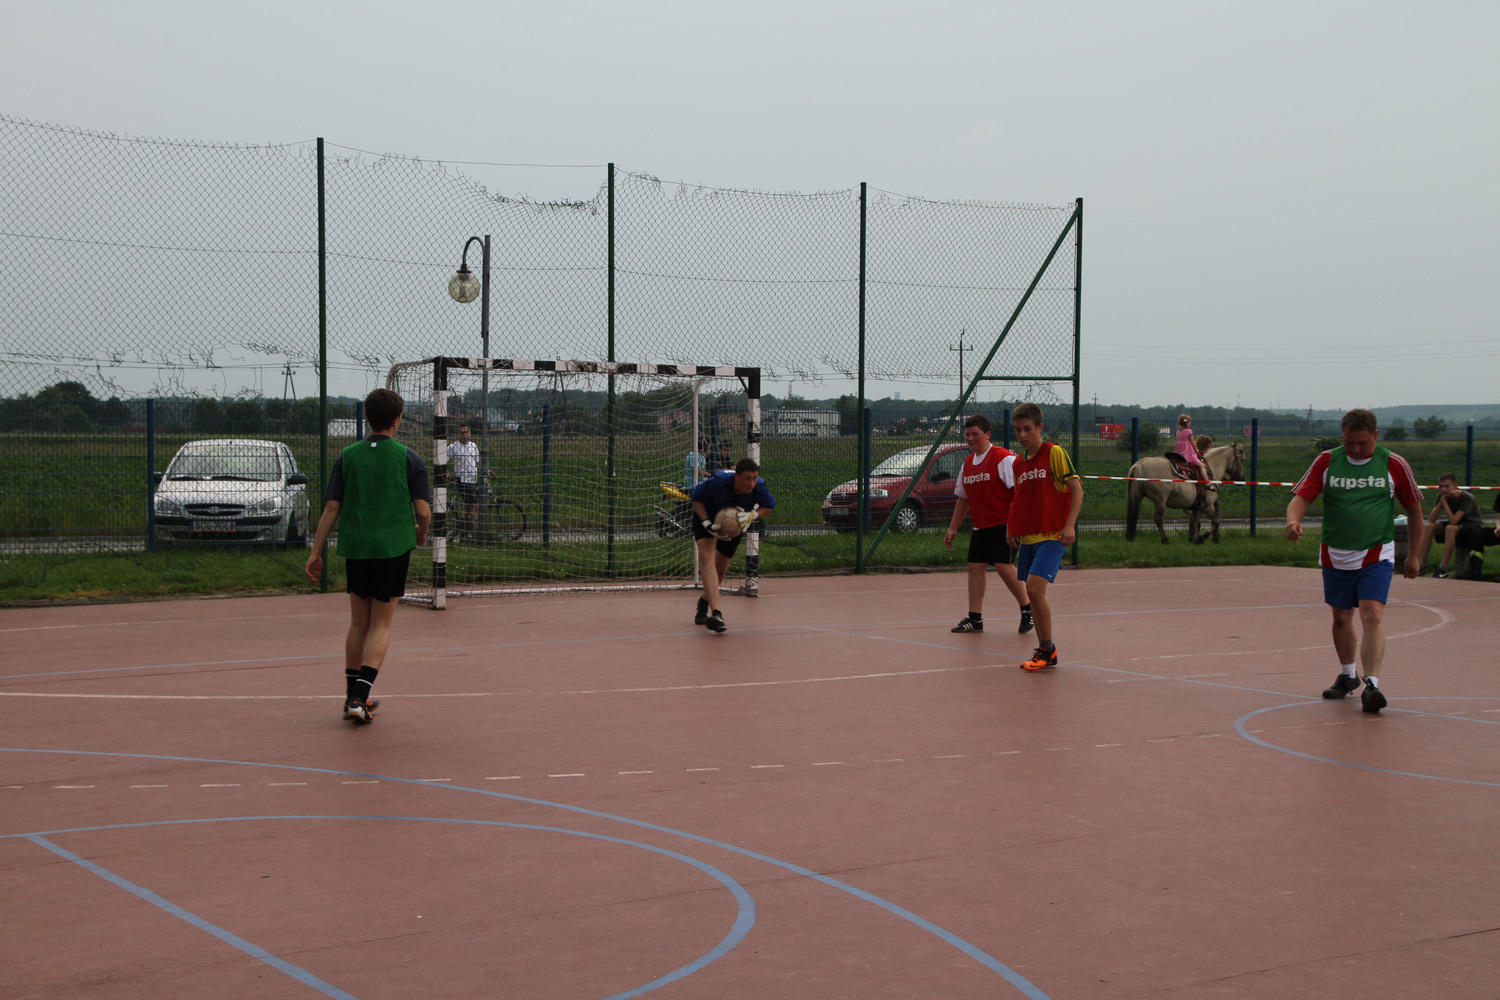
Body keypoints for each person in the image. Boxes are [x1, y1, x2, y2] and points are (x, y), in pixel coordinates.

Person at [305, 388, 432, 724]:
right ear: (397, 420)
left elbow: (332, 508)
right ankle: (360, 698)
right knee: (381, 624)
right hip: (391, 549)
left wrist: (316, 552)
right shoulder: (409, 458)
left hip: (357, 547)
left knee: (358, 623)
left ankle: (352, 696)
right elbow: (423, 511)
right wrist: (421, 533)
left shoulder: (347, 456)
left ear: (366, 418)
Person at [1285, 408, 1423, 714]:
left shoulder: (1393, 463)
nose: (1356, 449)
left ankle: (1372, 685)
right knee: (1340, 616)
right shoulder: (1327, 461)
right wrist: (1292, 521)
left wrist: (1413, 555)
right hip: (1335, 553)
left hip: (1376, 552)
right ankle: (1348, 675)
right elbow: (1302, 497)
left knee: (1372, 614)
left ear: (1376, 435)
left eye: (1362, 443)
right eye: (1349, 443)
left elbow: (1414, 509)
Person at [1006, 403, 1083, 671]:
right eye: (1018, 430)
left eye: (1027, 429)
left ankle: (1048, 648)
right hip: (1029, 537)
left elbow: (1076, 489)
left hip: (1053, 535)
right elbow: (1019, 499)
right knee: (1034, 592)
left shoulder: (1054, 453)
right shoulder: (1019, 463)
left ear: (1039, 428)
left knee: (1034, 589)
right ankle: (1044, 650)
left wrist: (1069, 525)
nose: (1022, 435)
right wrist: (1012, 527)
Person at [943, 414, 1032, 635]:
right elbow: (963, 498)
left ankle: (1028, 610)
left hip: (1005, 523)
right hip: (981, 525)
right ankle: (975, 619)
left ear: (987, 434)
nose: (970, 438)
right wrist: (953, 528)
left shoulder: (1002, 458)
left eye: (975, 434)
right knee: (975, 567)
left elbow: (1020, 493)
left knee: (1003, 566)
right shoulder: (968, 463)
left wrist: (1015, 524)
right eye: (967, 434)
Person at [689, 457, 776, 633]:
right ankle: (717, 613)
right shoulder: (717, 482)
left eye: (754, 478)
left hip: (734, 524)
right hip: (708, 518)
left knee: (721, 570)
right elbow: (696, 498)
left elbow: (768, 506)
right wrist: (706, 522)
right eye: (747, 478)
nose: (751, 483)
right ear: (736, 476)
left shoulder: (759, 487)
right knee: (707, 560)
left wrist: (753, 515)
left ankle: (704, 601)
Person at [1414, 473, 1481, 578]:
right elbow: (1432, 519)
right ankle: (1420, 564)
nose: (1444, 489)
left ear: (1455, 486)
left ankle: (1443, 567)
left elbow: (1454, 520)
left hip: (1472, 525)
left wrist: (1444, 502)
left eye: (1447, 486)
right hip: (1455, 525)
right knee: (1430, 527)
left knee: (1450, 528)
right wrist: (1441, 502)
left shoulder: (1467, 498)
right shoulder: (1442, 496)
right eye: (1441, 486)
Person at [449, 422, 480, 541]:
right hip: (462, 481)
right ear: (458, 434)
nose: (464, 434)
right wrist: (445, 472)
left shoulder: (473, 446)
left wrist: (487, 471)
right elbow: (442, 459)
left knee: (469, 508)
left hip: (473, 481)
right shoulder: (453, 447)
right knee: (474, 506)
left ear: (470, 433)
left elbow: (478, 463)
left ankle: (465, 531)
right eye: (461, 432)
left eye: (466, 432)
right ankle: (473, 533)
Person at [1172, 413, 1209, 509]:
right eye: (1190, 422)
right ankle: (1207, 482)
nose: (1190, 423)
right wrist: (1197, 451)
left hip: (1179, 452)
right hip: (1188, 452)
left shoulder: (1177, 432)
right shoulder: (1189, 431)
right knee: (1201, 466)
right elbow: (1192, 443)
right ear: (1187, 423)